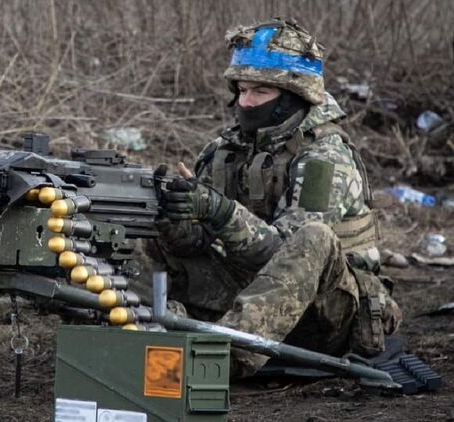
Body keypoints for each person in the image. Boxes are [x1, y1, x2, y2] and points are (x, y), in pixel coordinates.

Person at [149, 18, 402, 377]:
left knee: (314, 237)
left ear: (293, 97)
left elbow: (287, 252)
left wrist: (220, 211)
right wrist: (175, 219)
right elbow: (196, 245)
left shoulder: (324, 159)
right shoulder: (224, 151)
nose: (246, 102)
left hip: (325, 313)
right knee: (147, 233)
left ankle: (222, 358)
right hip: (250, 295)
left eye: (260, 92)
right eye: (241, 90)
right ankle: (136, 325)